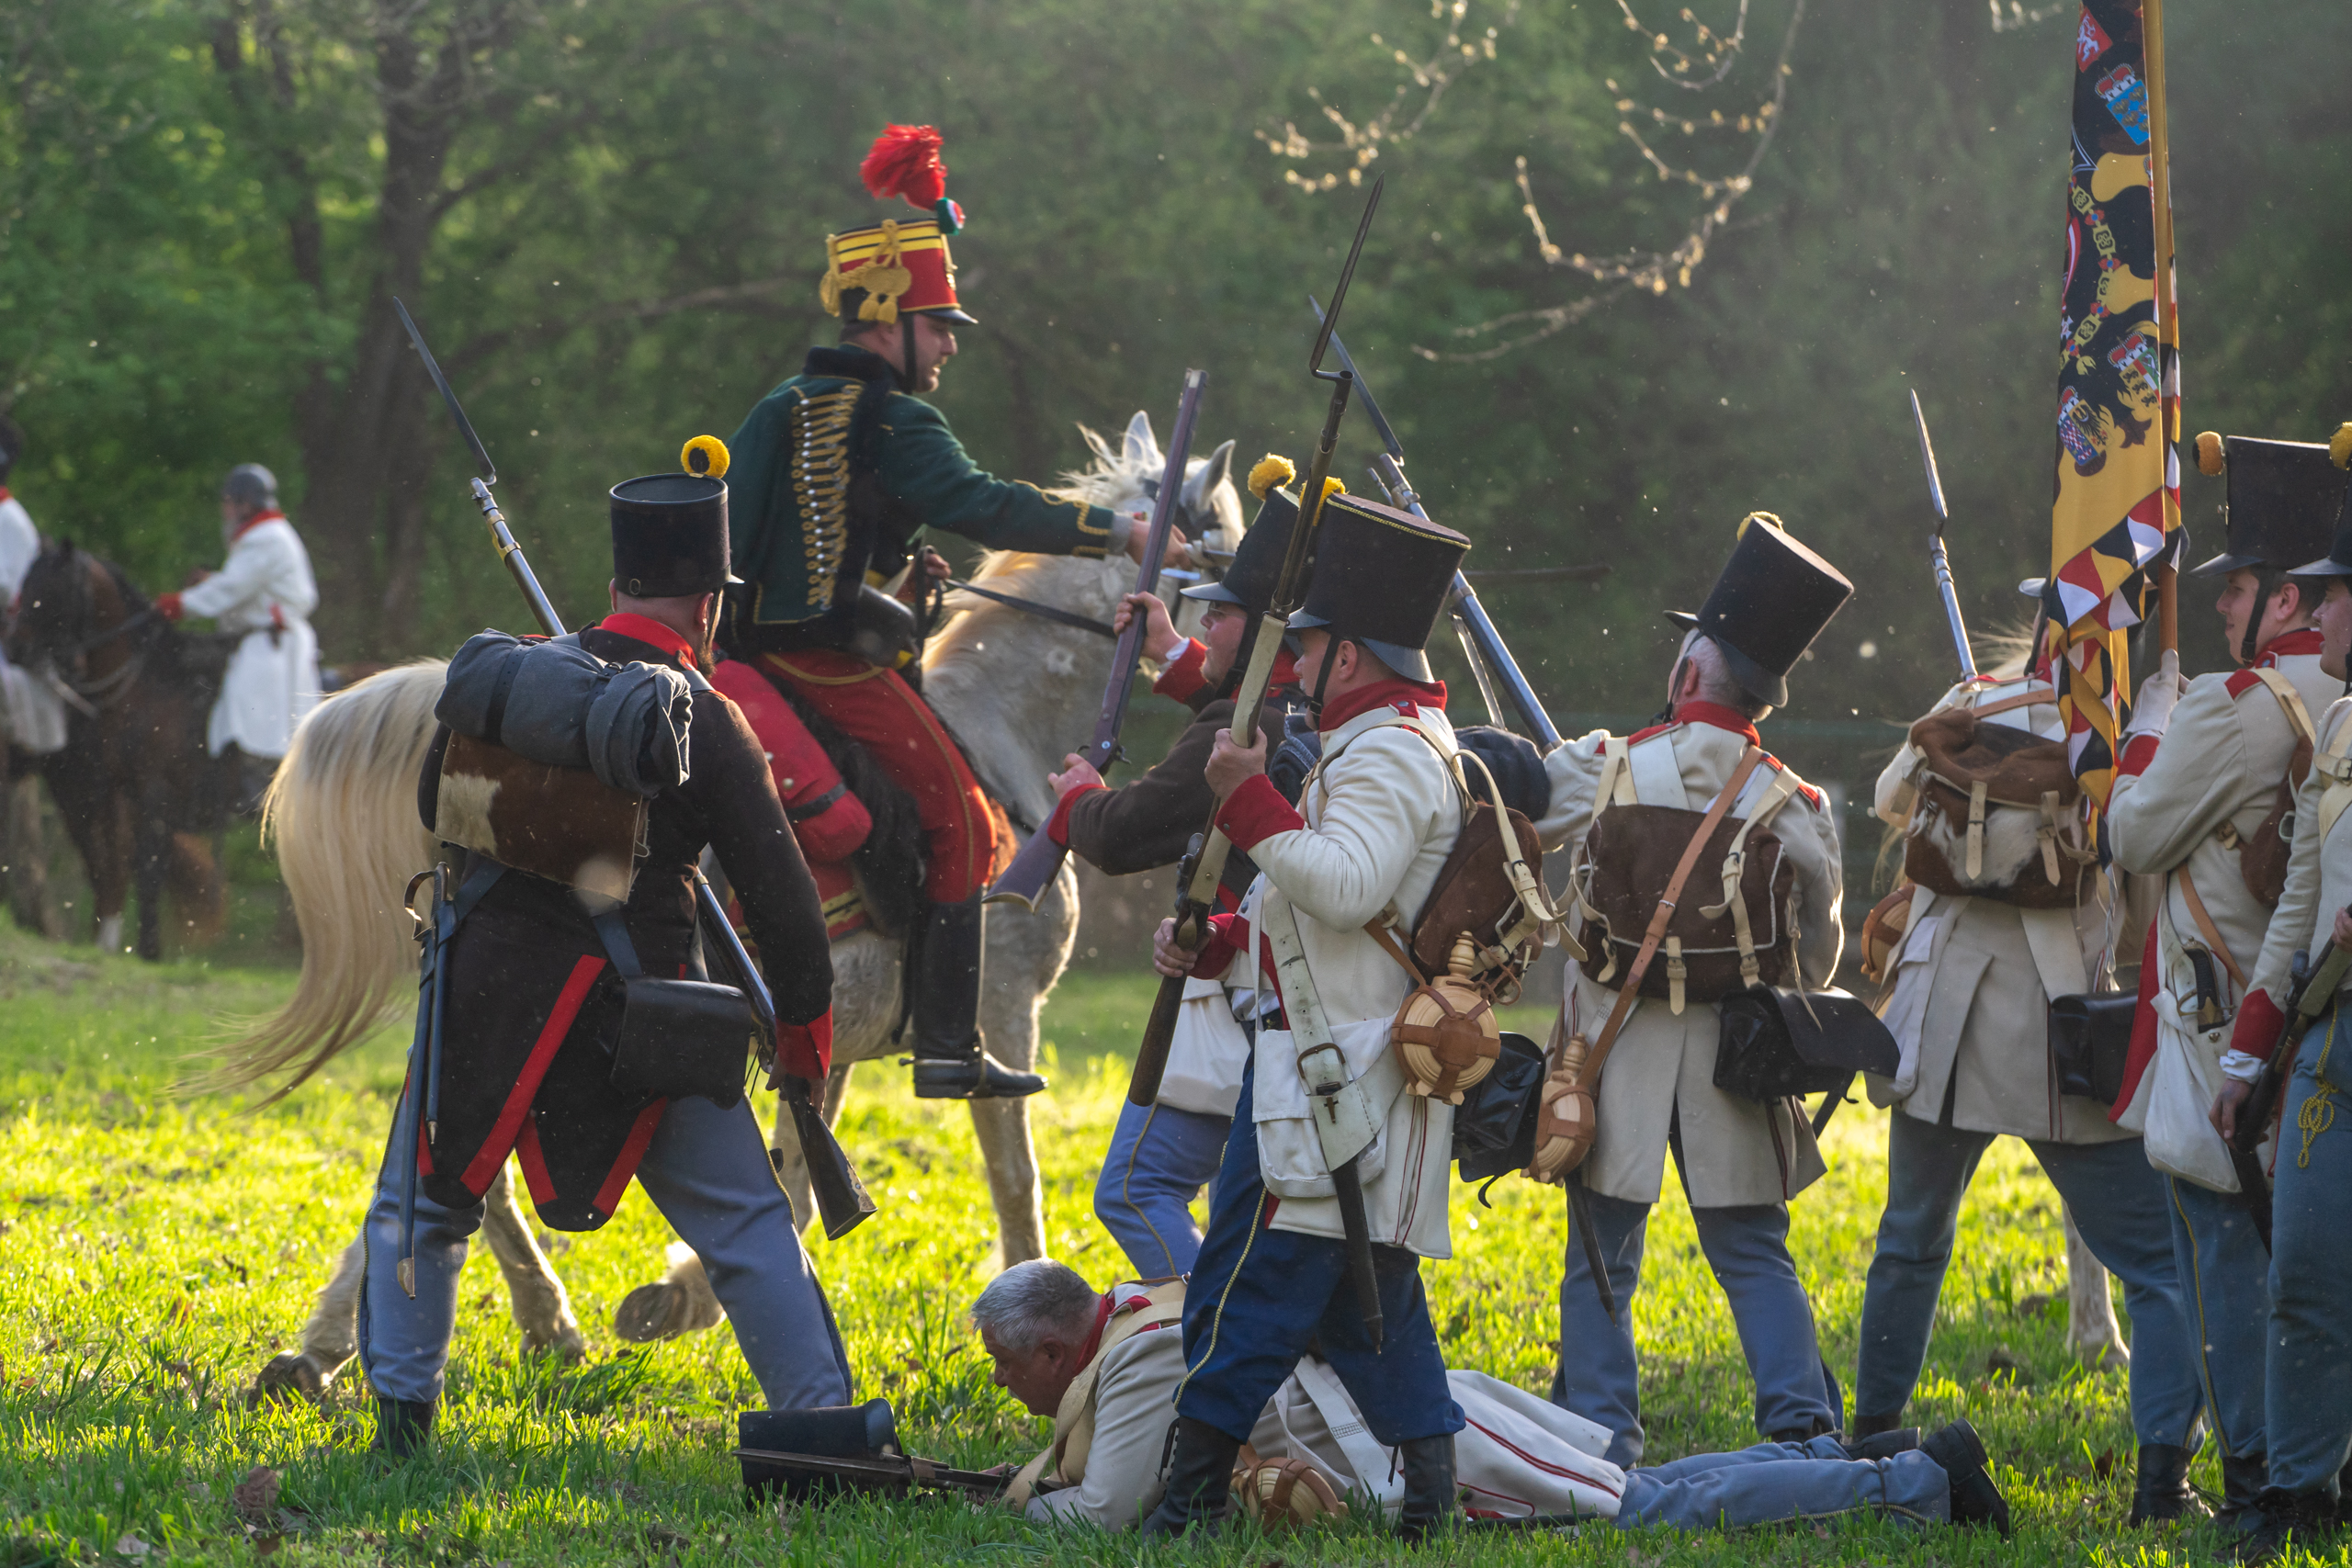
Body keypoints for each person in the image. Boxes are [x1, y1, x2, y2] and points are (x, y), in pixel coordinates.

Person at [357, 461, 852, 1456]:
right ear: (708, 607)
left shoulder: (513, 686)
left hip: (484, 999)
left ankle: (400, 1434)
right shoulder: (705, 714)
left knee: (421, 1205)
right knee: (750, 1232)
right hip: (647, 1016)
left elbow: (429, 808)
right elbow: (788, 908)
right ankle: (823, 1441)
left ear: (618, 585)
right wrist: (803, 1035)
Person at [720, 125, 1182, 1101]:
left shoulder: (776, 412)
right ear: (887, 320)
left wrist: (893, 584)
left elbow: (757, 557)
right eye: (939, 329)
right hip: (831, 667)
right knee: (969, 825)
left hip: (753, 663)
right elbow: (987, 505)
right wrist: (1120, 533)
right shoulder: (896, 418)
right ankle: (944, 1042)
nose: (947, 349)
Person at [1139, 492, 1476, 1540]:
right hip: (1327, 1062)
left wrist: (1245, 799)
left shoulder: (1386, 752)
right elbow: (1321, 920)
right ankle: (1430, 1504)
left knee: (1246, 1285)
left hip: (1333, 1073)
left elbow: (1341, 885)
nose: (1294, 665)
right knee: (1362, 1302)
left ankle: (1185, 1506)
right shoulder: (1380, 737)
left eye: (1313, 645)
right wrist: (1229, 941)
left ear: (1354, 655)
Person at [1853, 581, 2204, 1522]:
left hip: (1939, 1018)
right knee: (2158, 1268)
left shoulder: (1969, 699)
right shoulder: (2128, 732)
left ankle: (1871, 1441)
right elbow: (2145, 869)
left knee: (1908, 1242)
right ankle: (2161, 1482)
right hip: (2062, 1024)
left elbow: (1892, 798)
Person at [1528, 514, 1851, 1463]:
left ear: (1683, 678)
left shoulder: (1607, 764)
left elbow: (1517, 826)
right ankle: (1801, 1427)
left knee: (1601, 1256)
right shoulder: (1794, 804)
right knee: (1753, 1250)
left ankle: (1596, 1432)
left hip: (1612, 1046)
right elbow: (1817, 961)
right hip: (1733, 1055)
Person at [969, 1259, 2008, 1535]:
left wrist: (1017, 1503)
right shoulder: (1143, 1314)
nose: (1004, 1385)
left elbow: (1106, 1508)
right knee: (1634, 1486)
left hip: (1422, 1442)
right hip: (1418, 1420)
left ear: (1059, 1349)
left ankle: (1912, 1482)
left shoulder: (1140, 1354)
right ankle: (1843, 1463)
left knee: (1643, 1508)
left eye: (1006, 1367)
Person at [2104, 433, 2347, 1522]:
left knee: (2227, 1263)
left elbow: (2130, 835)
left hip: (2228, 1030)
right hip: (2300, 1014)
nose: (2217, 606)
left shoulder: (2228, 704)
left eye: (2239, 584)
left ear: (2292, 598)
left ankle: (2254, 1472)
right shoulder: (2327, 702)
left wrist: (2145, 732)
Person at [1045, 465, 1306, 1277]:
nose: (1208, 625)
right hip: (1302, 1011)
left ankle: (1208, 1339)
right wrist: (1174, 654)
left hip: (1230, 994)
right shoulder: (1327, 716)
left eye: (1222, 615)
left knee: (1132, 1189)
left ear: (1267, 633)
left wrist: (1077, 800)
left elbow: (1123, 835)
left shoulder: (1241, 723)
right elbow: (1239, 718)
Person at [2212, 486, 2352, 1562]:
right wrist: (2245, 1051)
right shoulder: (2339, 729)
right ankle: (2298, 1494)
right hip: (2328, 1038)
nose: (2320, 616)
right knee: (2301, 1272)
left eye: (2335, 596)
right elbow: (2298, 907)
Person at [153, 463, 322, 813]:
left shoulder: (266, 538)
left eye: (229, 502)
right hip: (267, 635)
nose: (225, 510)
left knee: (252, 704)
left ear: (245, 504)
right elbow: (242, 586)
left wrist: (178, 604)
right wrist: (210, 582)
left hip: (271, 642)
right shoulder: (265, 536)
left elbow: (231, 590)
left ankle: (258, 781)